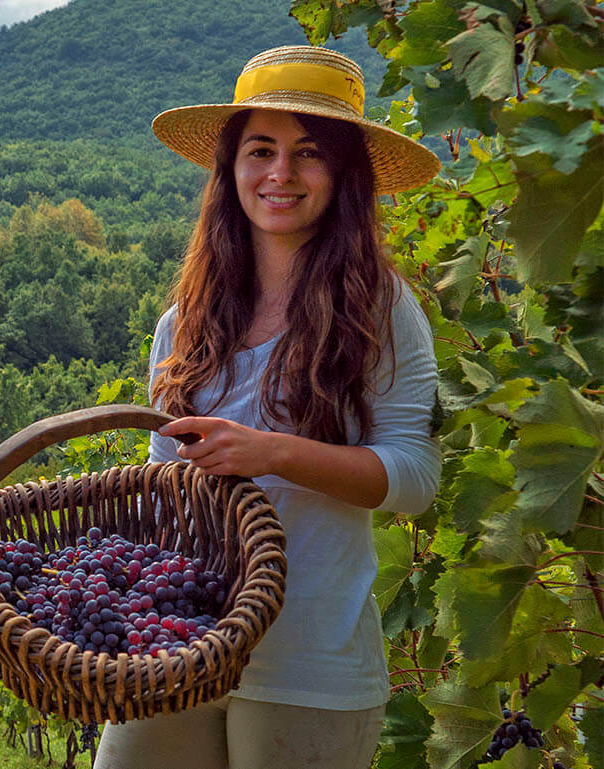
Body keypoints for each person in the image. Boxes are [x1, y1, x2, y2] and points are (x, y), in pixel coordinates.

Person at [93, 46, 442, 769]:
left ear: (344, 173)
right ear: (231, 170)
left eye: (308, 152)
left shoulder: (380, 310)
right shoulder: (184, 320)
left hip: (311, 663)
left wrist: (271, 452)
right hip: (180, 647)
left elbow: (413, 477)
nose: (280, 173)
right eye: (261, 150)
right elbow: (167, 489)